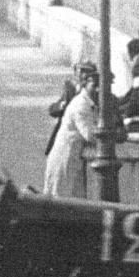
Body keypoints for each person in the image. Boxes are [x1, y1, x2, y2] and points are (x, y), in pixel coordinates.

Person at [43, 70, 100, 198]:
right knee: (60, 201)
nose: (98, 89)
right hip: (64, 159)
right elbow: (90, 135)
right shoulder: (81, 104)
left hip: (74, 159)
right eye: (94, 85)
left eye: (100, 85)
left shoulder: (89, 103)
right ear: (85, 84)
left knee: (74, 203)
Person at [45, 61, 97, 156]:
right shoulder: (70, 88)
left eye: (85, 71)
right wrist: (61, 105)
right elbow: (52, 110)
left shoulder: (93, 92)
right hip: (65, 137)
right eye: (78, 70)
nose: (80, 73)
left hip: (82, 139)